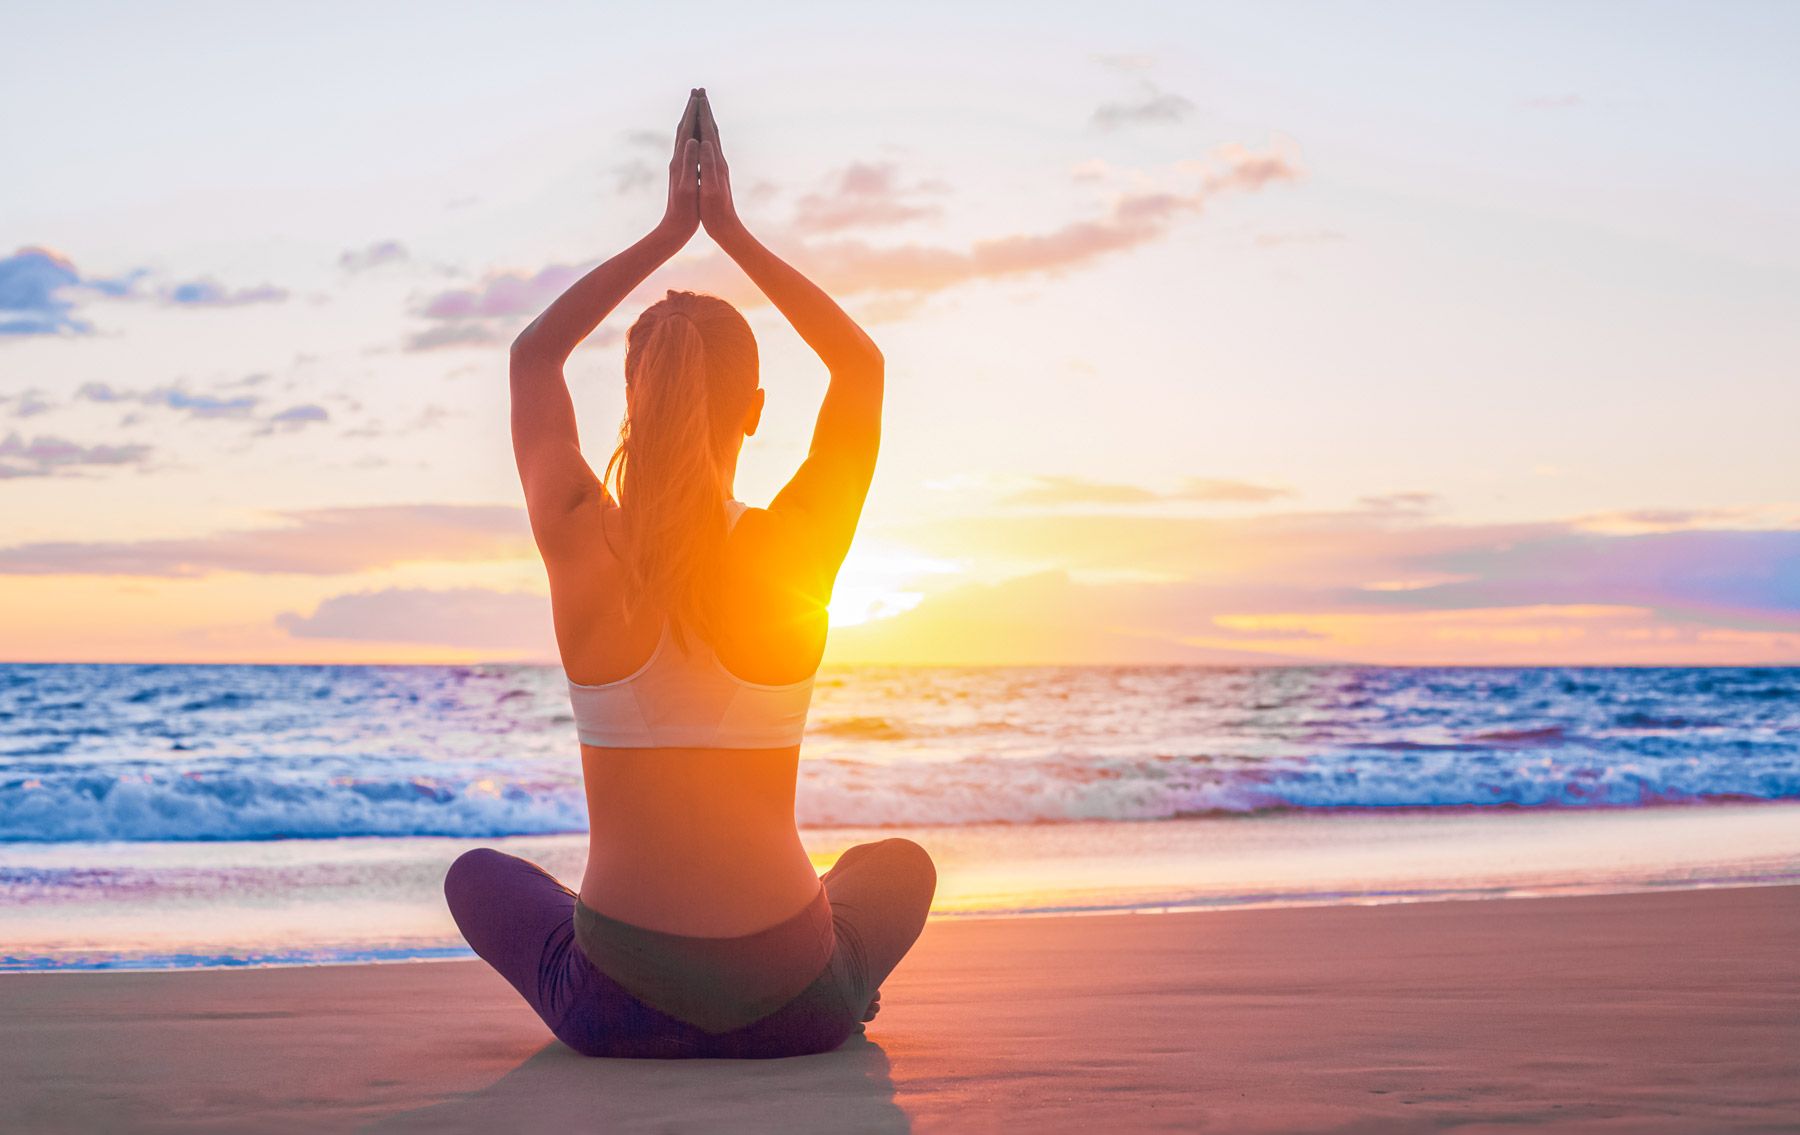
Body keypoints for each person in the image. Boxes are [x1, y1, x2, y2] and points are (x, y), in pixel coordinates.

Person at [444, 89, 936, 1059]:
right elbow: (861, 371)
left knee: (479, 874)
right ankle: (840, 989)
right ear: (753, 409)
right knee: (899, 867)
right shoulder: (792, 547)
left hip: (614, 1006)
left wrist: (669, 232)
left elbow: (534, 354)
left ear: (631, 399)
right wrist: (731, 232)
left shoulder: (582, 538)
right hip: (796, 1000)